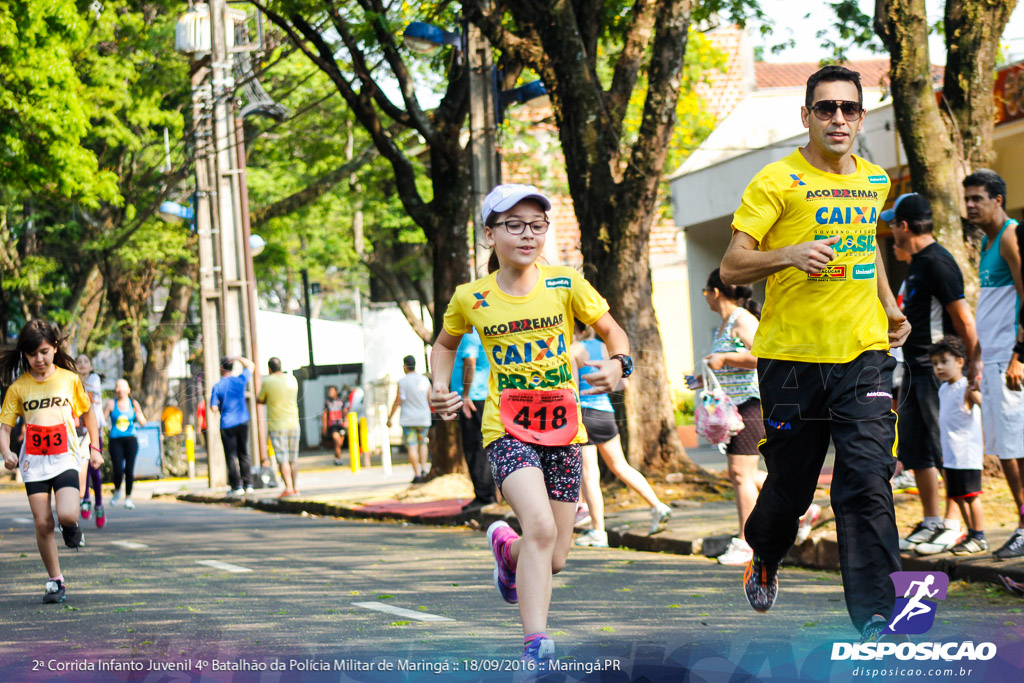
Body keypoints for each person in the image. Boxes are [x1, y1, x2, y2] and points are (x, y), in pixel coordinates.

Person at [719, 65, 910, 642]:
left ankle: (878, 614)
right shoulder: (775, 181)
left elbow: (865, 246)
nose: (837, 119)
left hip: (863, 354)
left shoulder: (874, 180)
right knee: (793, 486)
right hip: (792, 361)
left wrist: (888, 306)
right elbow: (731, 265)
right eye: (825, 108)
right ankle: (766, 553)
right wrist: (789, 253)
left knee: (868, 478)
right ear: (805, 116)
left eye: (848, 109)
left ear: (861, 115)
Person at [429, 183, 631, 668]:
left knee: (555, 555)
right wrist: (439, 386)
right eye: (514, 226)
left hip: (564, 429)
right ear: (489, 234)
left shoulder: (565, 283)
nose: (527, 235)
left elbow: (611, 330)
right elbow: (444, 345)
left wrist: (620, 363)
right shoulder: (470, 297)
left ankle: (507, 551)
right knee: (539, 527)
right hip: (507, 428)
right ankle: (536, 646)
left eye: (537, 226)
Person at [690, 270, 820, 565]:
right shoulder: (726, 323)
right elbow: (730, 363)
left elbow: (765, 356)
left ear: (716, 292)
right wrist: (704, 376)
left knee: (739, 475)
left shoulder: (742, 319)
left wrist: (727, 359)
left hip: (751, 405)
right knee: (742, 474)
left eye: (705, 292)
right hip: (734, 407)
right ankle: (802, 510)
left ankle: (747, 541)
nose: (706, 298)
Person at [882, 193, 979, 553]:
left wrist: (971, 372)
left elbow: (964, 320)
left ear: (904, 226)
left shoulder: (938, 262)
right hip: (913, 370)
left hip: (938, 373)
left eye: (893, 224)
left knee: (945, 448)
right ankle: (932, 520)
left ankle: (953, 524)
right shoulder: (918, 262)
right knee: (915, 447)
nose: (891, 231)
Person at [0, 320, 102, 604]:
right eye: (32, 354)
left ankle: (71, 528)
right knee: (43, 522)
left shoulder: (69, 380)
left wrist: (94, 448)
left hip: (65, 457)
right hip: (33, 462)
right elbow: (4, 427)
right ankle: (56, 580)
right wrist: (7, 452)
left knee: (67, 514)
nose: (39, 359)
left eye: (44, 351)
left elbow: (89, 414)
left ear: (55, 348)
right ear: (25, 355)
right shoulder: (18, 388)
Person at [963, 170, 1024, 560]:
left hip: (1012, 362)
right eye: (967, 198)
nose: (970, 205)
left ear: (998, 199)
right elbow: (992, 308)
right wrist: (976, 358)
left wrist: (1020, 355)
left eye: (977, 198)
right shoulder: (987, 241)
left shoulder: (1011, 236)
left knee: (1017, 450)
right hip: (995, 359)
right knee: (1005, 451)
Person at [571, 321, 671, 548]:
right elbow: (621, 384)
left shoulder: (574, 349)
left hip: (584, 415)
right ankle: (657, 505)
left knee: (589, 475)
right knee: (621, 466)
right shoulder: (604, 347)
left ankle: (598, 531)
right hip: (605, 413)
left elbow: (572, 389)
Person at [912, 336, 987, 556]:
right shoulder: (944, 389)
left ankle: (979, 536)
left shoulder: (967, 387)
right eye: (935, 364)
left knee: (971, 496)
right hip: (951, 457)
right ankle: (969, 533)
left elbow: (985, 407)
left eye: (944, 361)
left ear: (961, 362)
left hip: (967, 456)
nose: (939, 367)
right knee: (956, 496)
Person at [453, 328, 497, 511]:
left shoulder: (469, 335)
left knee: (475, 447)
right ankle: (487, 494)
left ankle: (485, 496)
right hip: (480, 396)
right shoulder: (482, 332)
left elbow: (470, 363)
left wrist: (465, 394)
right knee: (481, 446)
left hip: (473, 398)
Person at [210, 356, 255, 495]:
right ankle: (248, 484)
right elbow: (251, 366)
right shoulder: (240, 380)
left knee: (231, 455)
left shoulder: (217, 386)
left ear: (221, 368)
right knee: (244, 453)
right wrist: (237, 358)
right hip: (242, 421)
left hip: (227, 424)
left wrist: (221, 406)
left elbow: (213, 408)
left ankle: (237, 486)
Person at [256, 357, 301, 497]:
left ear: (269, 369)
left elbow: (260, 399)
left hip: (277, 425)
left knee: (283, 458)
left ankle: (288, 488)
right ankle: (295, 488)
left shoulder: (268, 381)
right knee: (293, 458)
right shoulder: (292, 379)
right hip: (294, 423)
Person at [387, 356, 433, 484]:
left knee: (412, 446)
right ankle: (424, 468)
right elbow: (431, 399)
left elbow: (398, 400)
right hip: (424, 418)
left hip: (408, 419)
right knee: (423, 443)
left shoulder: (402, 382)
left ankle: (417, 473)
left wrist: (390, 417)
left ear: (405, 366)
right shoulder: (424, 380)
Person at [104, 379, 147, 509]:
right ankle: (117, 491)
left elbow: (143, 422)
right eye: (118, 387)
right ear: (116, 390)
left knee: (129, 469)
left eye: (123, 387)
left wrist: (139, 416)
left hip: (131, 440)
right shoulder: (111, 404)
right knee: (117, 470)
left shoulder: (133, 404)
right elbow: (102, 420)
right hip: (115, 440)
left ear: (128, 390)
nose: (120, 390)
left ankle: (128, 497)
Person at [75, 354, 106, 528]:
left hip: (94, 432)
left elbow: (91, 404)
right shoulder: (71, 381)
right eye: (78, 362)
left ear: (91, 366)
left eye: (86, 361)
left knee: (94, 469)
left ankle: (99, 504)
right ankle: (85, 497)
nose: (81, 365)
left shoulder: (93, 379)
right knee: (82, 467)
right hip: (78, 431)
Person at [322, 386, 347, 466]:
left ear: (336, 392)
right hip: (332, 426)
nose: (330, 393)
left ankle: (337, 456)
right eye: (329, 391)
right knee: (336, 440)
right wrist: (324, 427)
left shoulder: (341, 401)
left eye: (332, 391)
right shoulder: (328, 402)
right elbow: (325, 414)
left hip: (341, 425)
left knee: (340, 443)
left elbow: (345, 411)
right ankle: (339, 459)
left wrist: (346, 421)